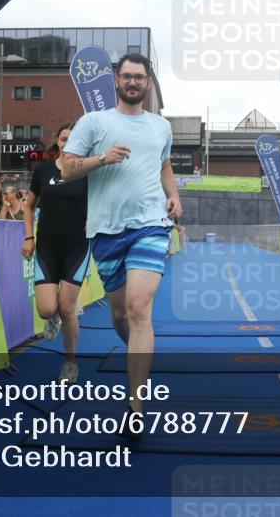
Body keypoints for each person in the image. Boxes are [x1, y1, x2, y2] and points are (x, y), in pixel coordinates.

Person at [61, 53, 181, 439]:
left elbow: (164, 164)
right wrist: (103, 158)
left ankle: (135, 407)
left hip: (150, 224)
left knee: (139, 308)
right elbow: (66, 167)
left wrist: (174, 196)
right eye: (127, 76)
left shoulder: (161, 126)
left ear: (149, 83)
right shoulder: (94, 122)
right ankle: (140, 353)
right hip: (106, 231)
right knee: (120, 317)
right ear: (117, 80)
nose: (133, 82)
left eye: (139, 77)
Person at [22, 122, 88, 383]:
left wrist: (95, 218)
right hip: (47, 247)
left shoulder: (87, 172)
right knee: (48, 309)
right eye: (64, 139)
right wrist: (29, 237)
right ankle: (54, 318)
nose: (67, 144)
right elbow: (28, 207)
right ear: (57, 142)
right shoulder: (43, 170)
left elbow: (105, 200)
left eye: (73, 140)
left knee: (67, 308)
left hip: (77, 247)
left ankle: (70, 363)